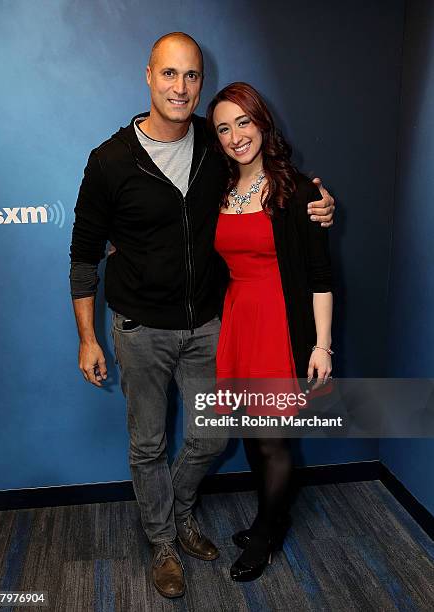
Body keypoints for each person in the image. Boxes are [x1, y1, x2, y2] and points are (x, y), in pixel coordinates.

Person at [69, 33, 335, 599]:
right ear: (148, 76)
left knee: (212, 437)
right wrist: (88, 337)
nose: (180, 87)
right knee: (147, 445)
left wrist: (320, 201)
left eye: (190, 77)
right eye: (169, 74)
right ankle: (163, 542)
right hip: (139, 330)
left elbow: (272, 194)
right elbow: (84, 253)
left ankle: (181, 514)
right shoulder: (110, 160)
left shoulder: (216, 152)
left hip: (210, 327)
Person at [206, 82, 333, 581]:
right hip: (239, 322)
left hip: (280, 328)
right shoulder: (220, 190)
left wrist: (321, 346)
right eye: (223, 128)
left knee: (273, 439)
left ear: (262, 122)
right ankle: (272, 519)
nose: (236, 135)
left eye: (243, 121)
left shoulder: (299, 191)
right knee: (253, 438)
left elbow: (321, 279)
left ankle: (266, 532)